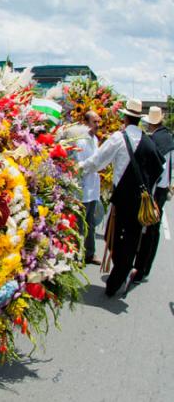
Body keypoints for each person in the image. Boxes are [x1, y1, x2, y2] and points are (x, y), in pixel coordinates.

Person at [78, 98, 163, 297]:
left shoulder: (119, 137)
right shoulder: (147, 140)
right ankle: (122, 273)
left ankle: (120, 273)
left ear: (125, 117)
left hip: (123, 198)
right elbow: (159, 169)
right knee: (132, 239)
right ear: (139, 119)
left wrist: (78, 169)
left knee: (113, 236)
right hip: (141, 200)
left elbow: (97, 161)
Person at [133, 106, 173, 280]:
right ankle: (146, 267)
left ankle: (139, 268)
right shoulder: (169, 138)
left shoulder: (155, 141)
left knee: (146, 229)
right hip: (164, 190)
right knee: (154, 230)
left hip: (155, 190)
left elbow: (156, 169)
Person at [75, 111, 102, 264]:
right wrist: (92, 166)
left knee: (91, 224)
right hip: (83, 189)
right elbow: (78, 165)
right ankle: (76, 256)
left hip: (93, 188)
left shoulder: (95, 139)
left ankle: (90, 254)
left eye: (98, 122)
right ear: (86, 123)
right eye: (94, 122)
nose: (97, 125)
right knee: (80, 225)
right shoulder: (81, 141)